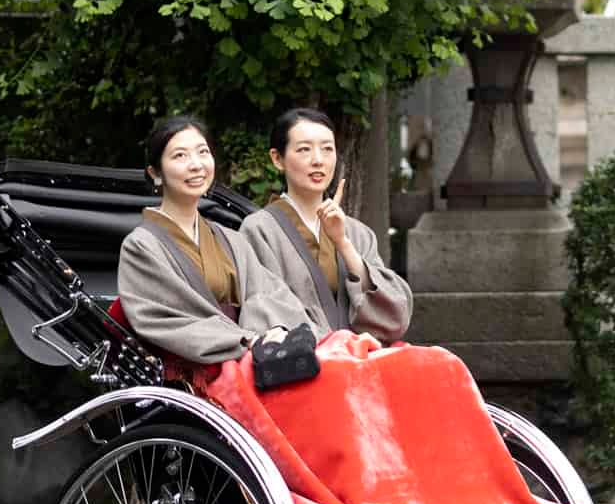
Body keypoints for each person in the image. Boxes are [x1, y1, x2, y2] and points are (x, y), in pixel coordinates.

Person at [117, 115, 311, 363]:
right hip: (196, 373)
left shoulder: (231, 239)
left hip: (254, 358)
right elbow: (164, 320)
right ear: (156, 173)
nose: (196, 164)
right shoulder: (141, 247)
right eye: (180, 156)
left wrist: (270, 331)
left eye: (202, 152)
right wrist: (244, 339)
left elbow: (271, 294)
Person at [238, 106, 412, 344]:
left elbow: (394, 316)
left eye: (327, 149)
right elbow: (267, 306)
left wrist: (343, 243)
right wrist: (337, 344)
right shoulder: (258, 230)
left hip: (362, 358)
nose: (318, 160)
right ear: (277, 159)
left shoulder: (358, 233)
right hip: (305, 362)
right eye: (304, 150)